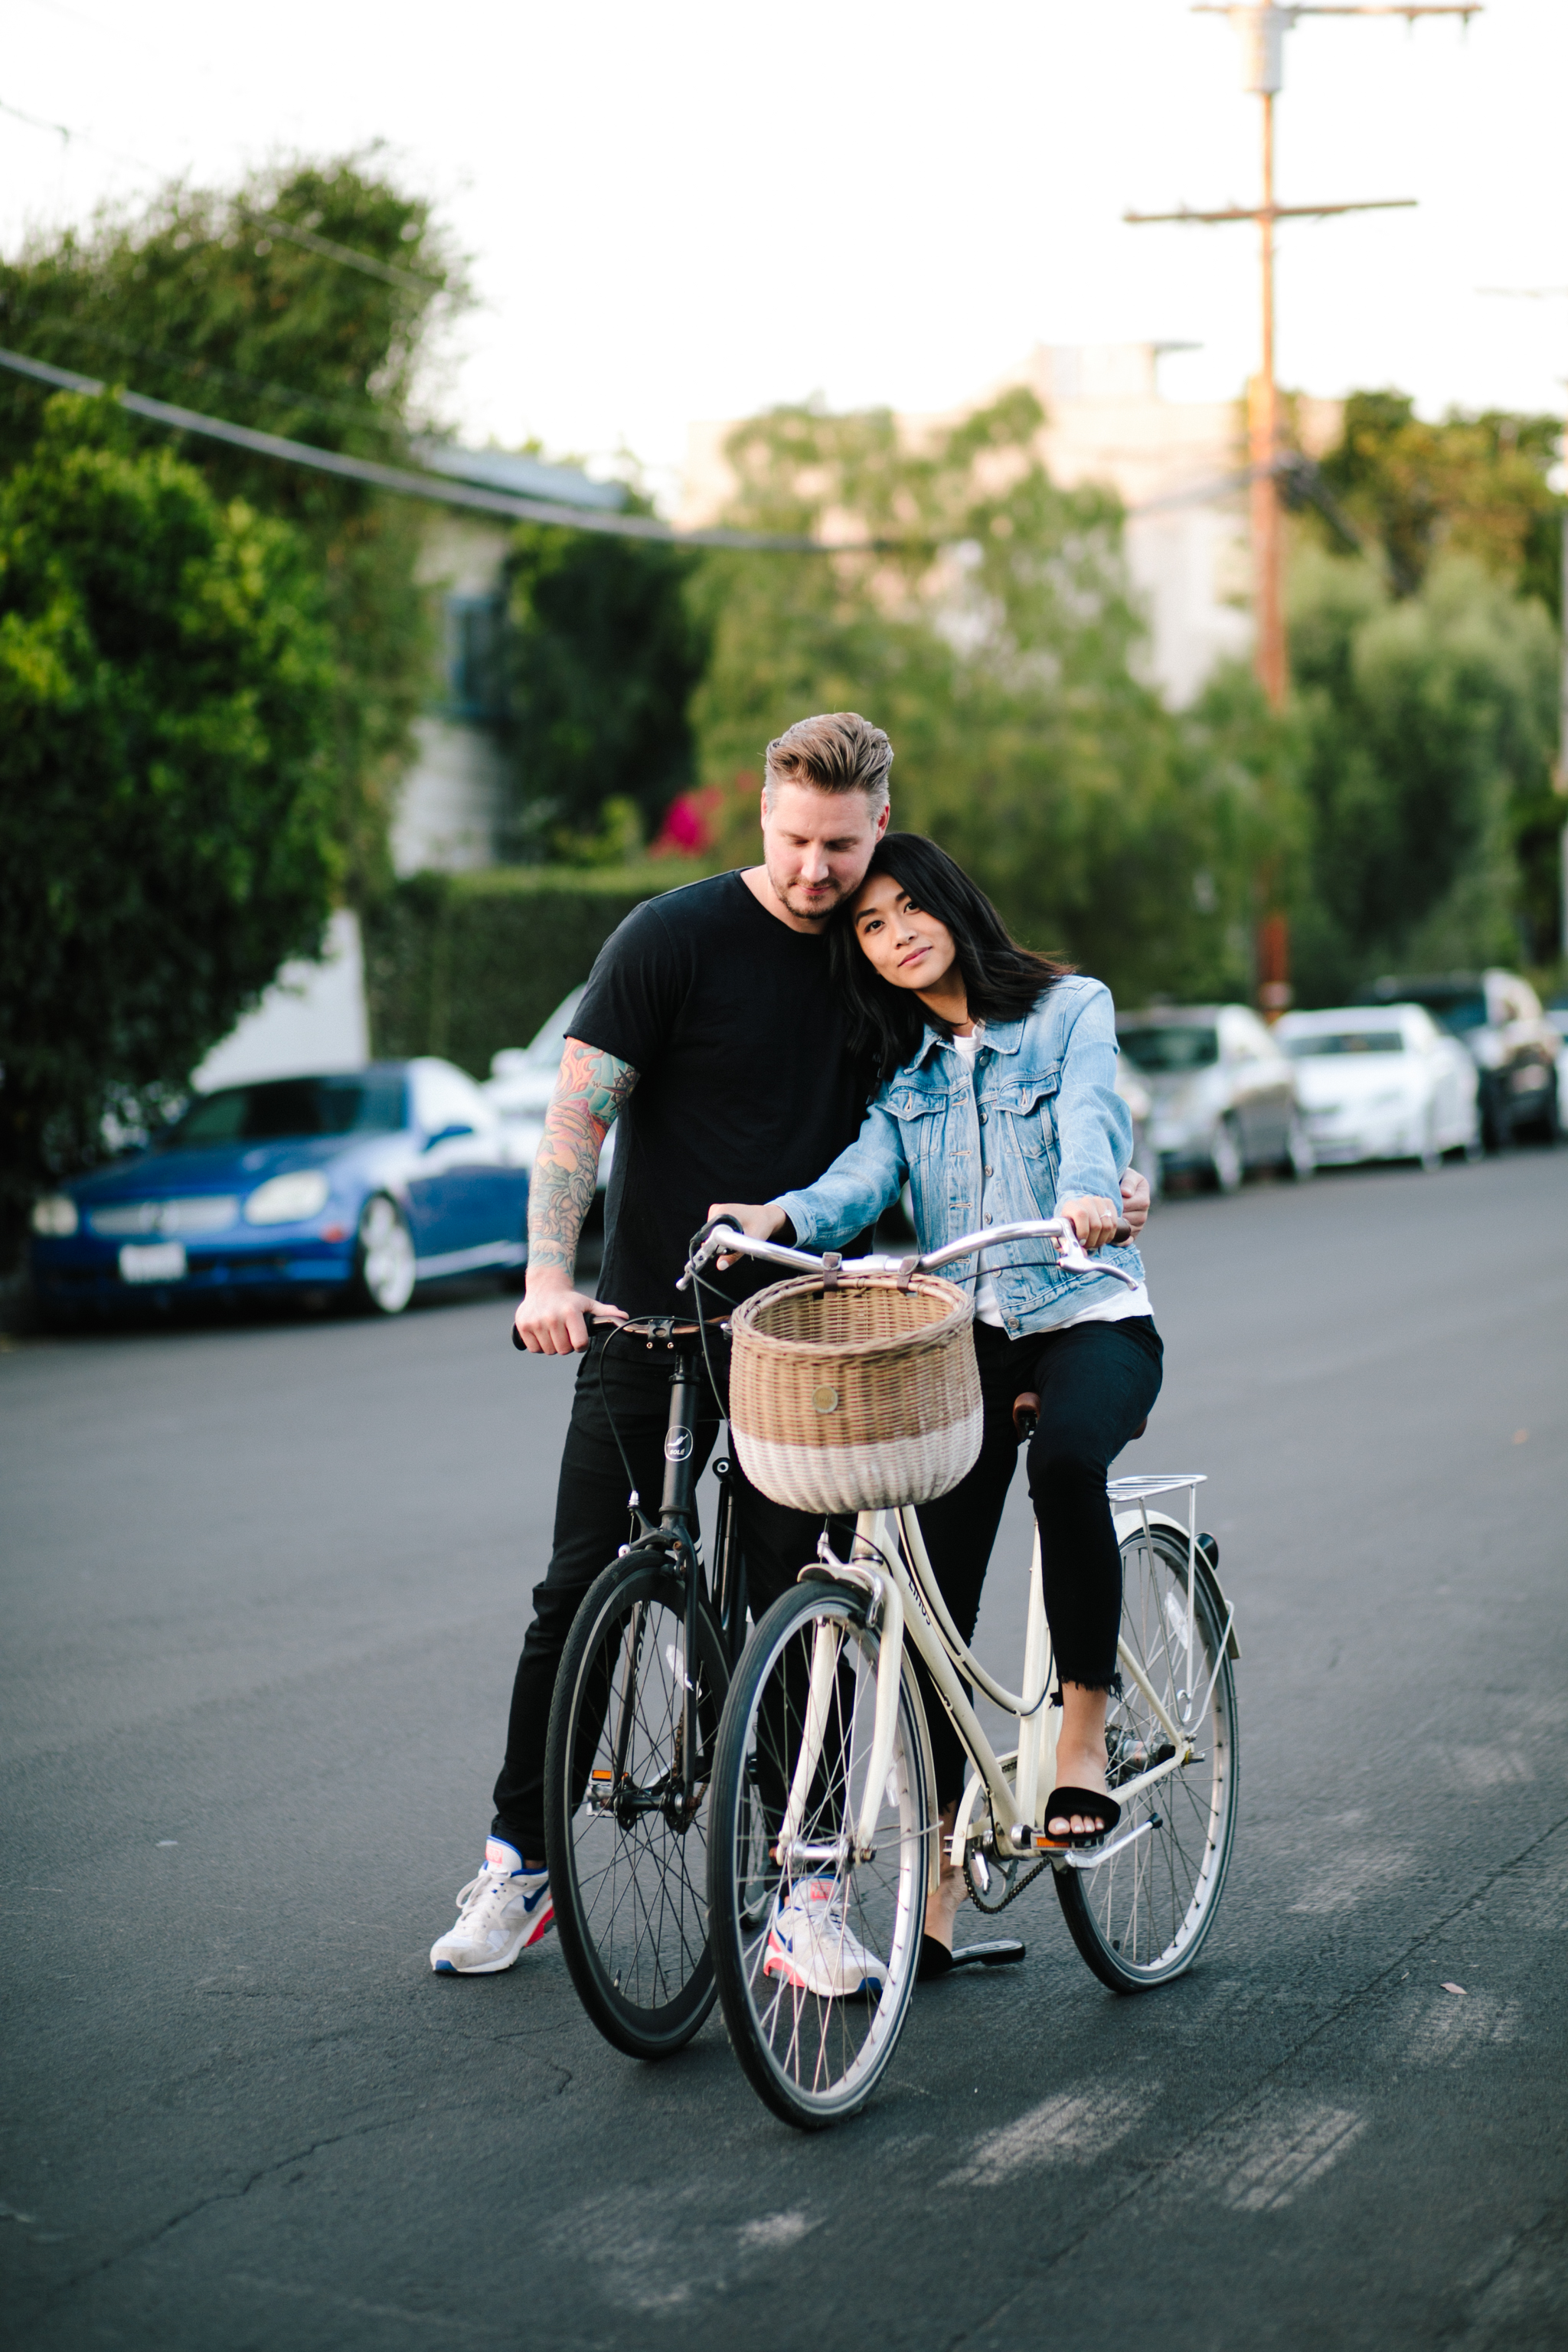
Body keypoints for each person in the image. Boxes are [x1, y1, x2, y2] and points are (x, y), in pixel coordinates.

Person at [427, 713, 896, 1973]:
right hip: (644, 1320)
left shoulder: (886, 950)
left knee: (799, 1606)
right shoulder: (669, 937)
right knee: (574, 1594)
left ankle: (808, 1891)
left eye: (841, 848)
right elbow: (577, 1119)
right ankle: (516, 1869)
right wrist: (545, 1273)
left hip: (805, 1338)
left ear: (880, 830)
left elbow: (944, 1097)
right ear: (763, 814)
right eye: (796, 840)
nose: (815, 871)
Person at [709, 832, 1162, 1974]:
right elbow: (863, 1175)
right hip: (968, 1342)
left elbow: (1094, 1126)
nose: (897, 932)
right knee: (928, 1591)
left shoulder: (1068, 1011)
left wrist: (1089, 1203)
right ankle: (943, 1876)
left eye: (911, 907)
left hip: (1089, 1313)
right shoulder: (901, 1070)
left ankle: (1082, 1745)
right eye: (871, 924)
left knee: (1066, 1465)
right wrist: (778, 1220)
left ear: (954, 903)